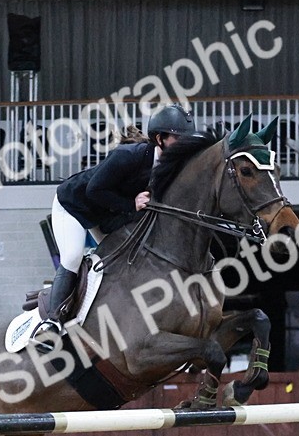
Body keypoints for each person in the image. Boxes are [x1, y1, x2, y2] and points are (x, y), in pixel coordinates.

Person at [35, 104, 195, 343]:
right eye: (179, 139)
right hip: (75, 206)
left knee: (126, 258)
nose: (185, 146)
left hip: (107, 213)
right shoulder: (128, 155)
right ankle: (51, 322)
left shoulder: (170, 167)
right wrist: (132, 204)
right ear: (160, 139)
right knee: (72, 257)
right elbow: (94, 190)